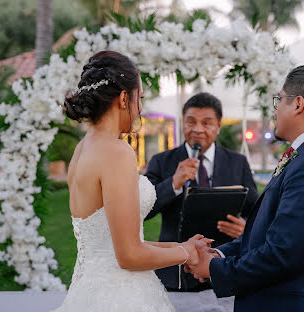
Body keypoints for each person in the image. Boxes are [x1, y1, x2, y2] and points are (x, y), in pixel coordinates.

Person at [187, 64, 304, 312]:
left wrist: (212, 268)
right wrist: (218, 255)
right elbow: (269, 233)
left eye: (279, 100)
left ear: (297, 104)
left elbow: (282, 254)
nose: (275, 109)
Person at [53, 51, 208, 312]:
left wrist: (182, 246)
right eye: (140, 98)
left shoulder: (83, 149)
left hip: (89, 293)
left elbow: (114, 244)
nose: (140, 108)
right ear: (124, 98)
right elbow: (129, 255)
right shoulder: (117, 152)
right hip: (123, 298)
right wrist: (187, 254)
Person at [145, 92, 259, 291]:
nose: (197, 129)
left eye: (206, 123)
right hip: (176, 272)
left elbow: (256, 210)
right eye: (191, 122)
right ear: (183, 123)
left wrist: (246, 228)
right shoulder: (161, 161)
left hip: (224, 269)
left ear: (218, 127)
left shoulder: (238, 163)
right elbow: (144, 210)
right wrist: (173, 183)